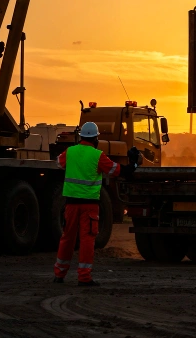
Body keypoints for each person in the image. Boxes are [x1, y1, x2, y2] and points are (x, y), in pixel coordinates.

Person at [53, 121, 138, 286]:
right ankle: (84, 277)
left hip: (70, 204)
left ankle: (59, 274)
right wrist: (133, 164)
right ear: (96, 139)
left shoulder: (70, 152)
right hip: (90, 206)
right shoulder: (98, 156)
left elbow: (58, 163)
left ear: (81, 137)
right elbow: (117, 171)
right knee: (87, 240)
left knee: (67, 238)